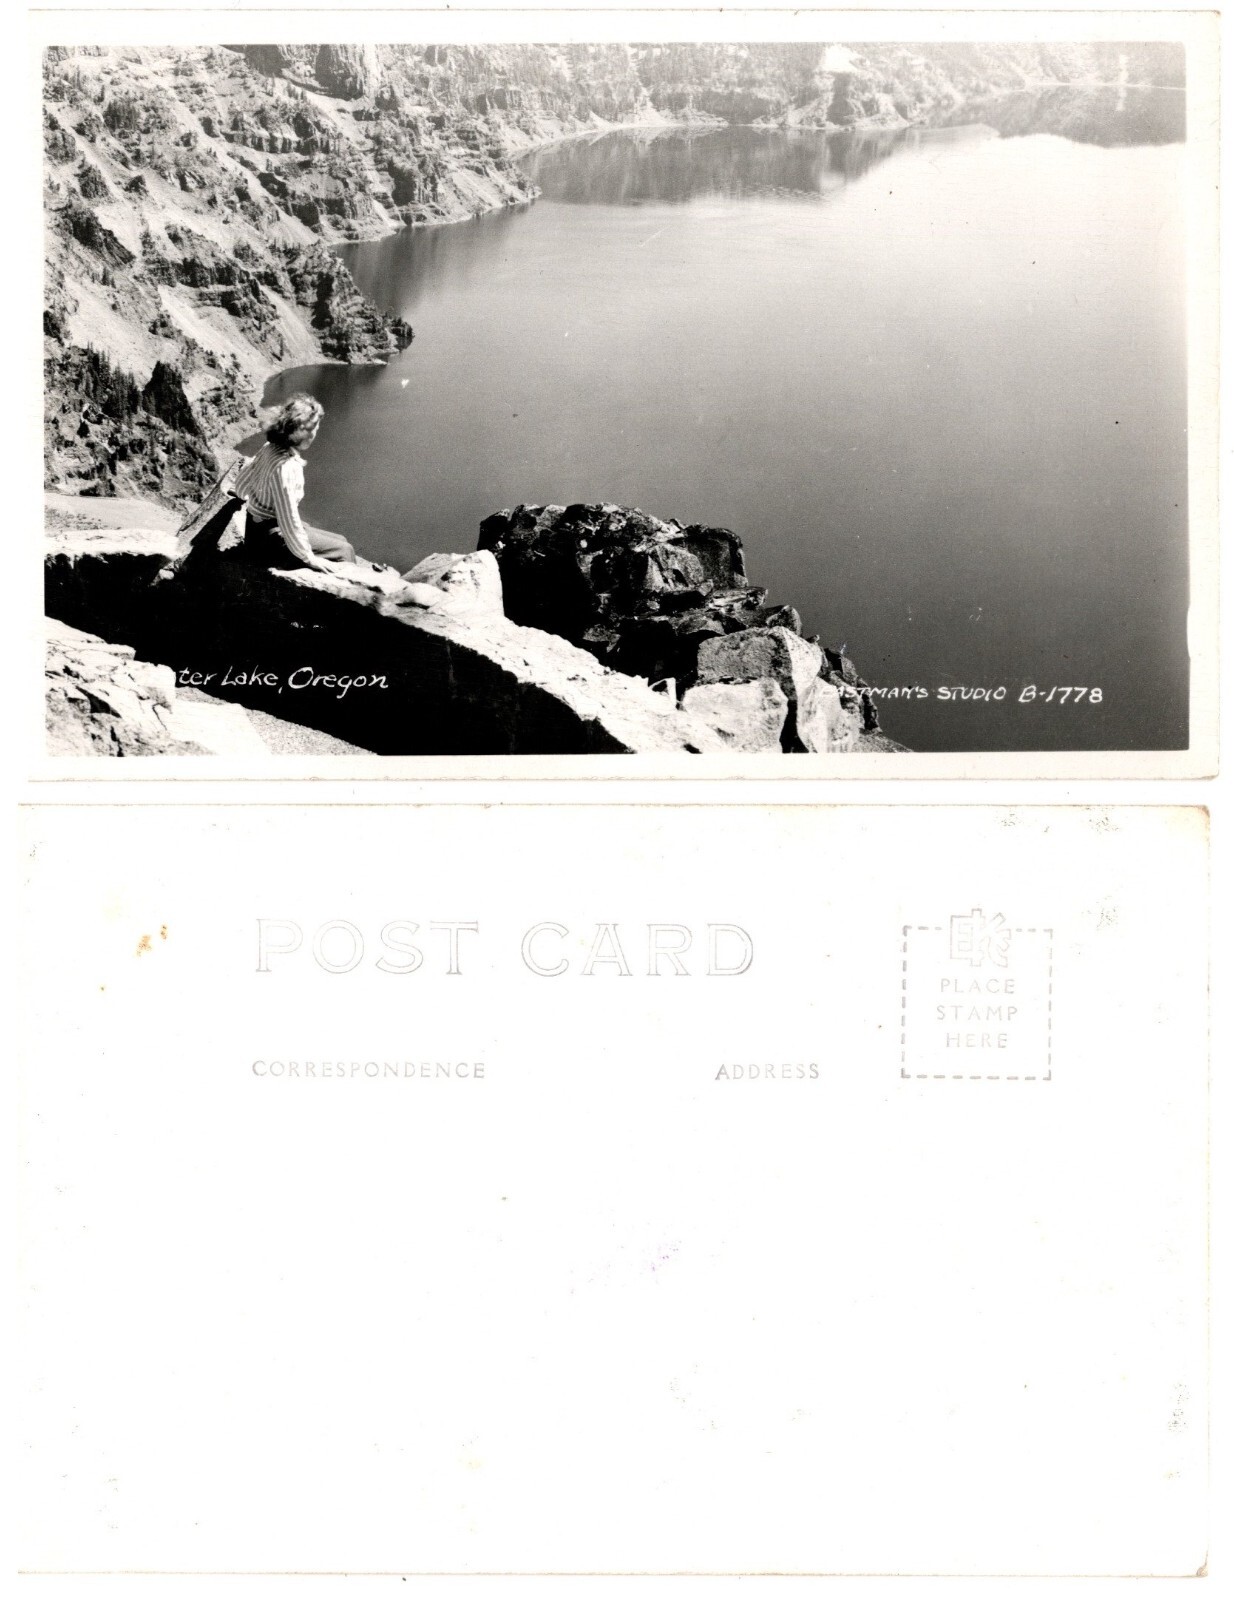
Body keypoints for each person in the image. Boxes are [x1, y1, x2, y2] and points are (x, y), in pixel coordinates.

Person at [172, 394, 365, 577]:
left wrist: (241, 495)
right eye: (312, 428)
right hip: (270, 541)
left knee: (340, 540)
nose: (315, 432)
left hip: (255, 533)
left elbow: (246, 476)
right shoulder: (286, 468)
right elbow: (288, 519)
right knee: (344, 550)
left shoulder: (269, 447)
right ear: (297, 431)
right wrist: (308, 557)